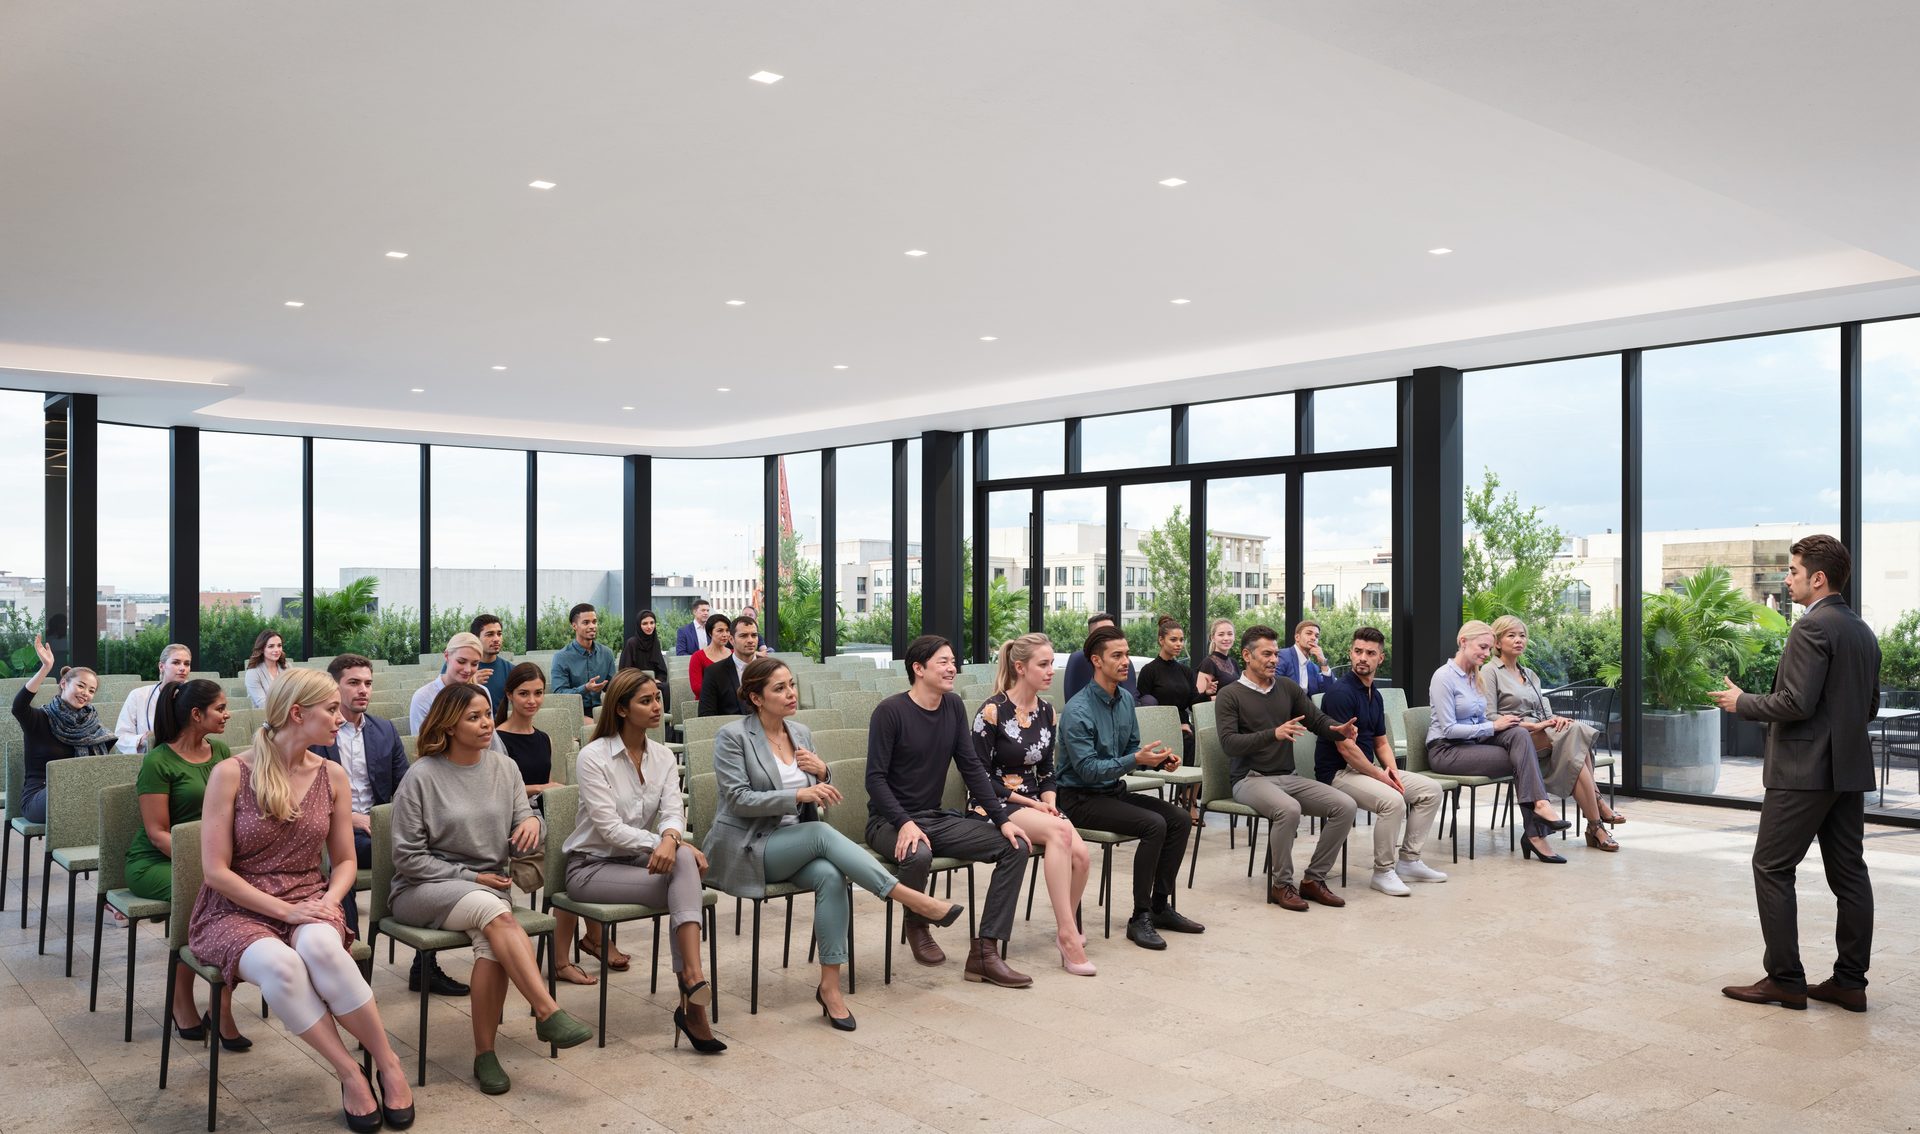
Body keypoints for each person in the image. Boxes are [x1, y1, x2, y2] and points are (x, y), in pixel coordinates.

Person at [186, 668, 416, 1132]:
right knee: (283, 965)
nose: (342, 715)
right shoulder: (231, 773)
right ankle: (350, 1073)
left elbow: (346, 862)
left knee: (322, 948)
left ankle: (387, 1062)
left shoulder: (331, 775)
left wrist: (330, 900)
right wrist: (285, 911)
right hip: (234, 909)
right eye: (331, 708)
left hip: (309, 897)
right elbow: (216, 872)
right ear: (297, 713)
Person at [704, 656, 966, 1031]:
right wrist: (799, 796)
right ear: (756, 698)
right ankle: (912, 899)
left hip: (799, 841)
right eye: (779, 688)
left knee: (831, 875)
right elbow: (738, 799)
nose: (791, 693)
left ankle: (830, 987)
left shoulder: (800, 733)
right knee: (823, 835)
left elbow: (819, 786)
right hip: (753, 846)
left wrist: (823, 772)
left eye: (791, 684)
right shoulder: (733, 736)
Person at [390, 683, 594, 1094]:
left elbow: (525, 817)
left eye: (487, 714)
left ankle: (485, 1055)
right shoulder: (421, 777)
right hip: (423, 889)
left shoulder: (505, 768)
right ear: (448, 725)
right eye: (474, 717)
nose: (486, 724)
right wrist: (472, 878)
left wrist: (534, 822)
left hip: (488, 888)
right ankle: (545, 1009)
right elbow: (407, 859)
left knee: (491, 943)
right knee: (495, 914)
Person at [1710, 535, 1880, 1013]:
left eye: (1793, 571)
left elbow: (1795, 704)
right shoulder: (1862, 632)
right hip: (1847, 768)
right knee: (1850, 875)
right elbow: (1867, 707)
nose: (1786, 580)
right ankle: (1850, 983)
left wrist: (1740, 702)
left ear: (1817, 577)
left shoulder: (1810, 629)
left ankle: (1785, 980)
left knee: (1772, 867)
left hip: (1803, 771)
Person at [564, 669, 723, 1051]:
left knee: (682, 864)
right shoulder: (593, 756)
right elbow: (608, 829)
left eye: (657, 698)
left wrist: (671, 838)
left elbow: (673, 811)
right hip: (591, 867)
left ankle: (692, 976)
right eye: (646, 701)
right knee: (683, 870)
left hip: (637, 860)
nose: (657, 707)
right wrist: (668, 844)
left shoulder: (664, 756)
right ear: (621, 708)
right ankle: (692, 997)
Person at [866, 635, 1033, 987]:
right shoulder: (890, 711)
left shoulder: (953, 706)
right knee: (916, 853)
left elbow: (972, 767)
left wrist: (1002, 820)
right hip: (888, 820)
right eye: (943, 661)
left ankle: (985, 952)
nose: (952, 668)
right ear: (918, 668)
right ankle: (917, 922)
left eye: (953, 661)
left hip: (934, 818)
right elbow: (875, 780)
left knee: (1016, 845)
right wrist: (905, 822)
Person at [312, 654, 467, 996]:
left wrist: (390, 822)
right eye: (353, 683)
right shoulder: (317, 733)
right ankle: (351, 968)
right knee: (343, 866)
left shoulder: (384, 730)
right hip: (331, 833)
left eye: (367, 683)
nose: (363, 690)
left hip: (381, 830)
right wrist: (351, 818)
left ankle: (425, 966)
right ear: (334, 686)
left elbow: (405, 789)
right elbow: (304, 798)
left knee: (432, 857)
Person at [1056, 625, 1205, 949]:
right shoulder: (1077, 710)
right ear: (1097, 661)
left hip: (1110, 791)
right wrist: (1134, 759)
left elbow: (1132, 750)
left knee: (1178, 819)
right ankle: (1140, 917)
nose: (1126, 662)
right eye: (1117, 655)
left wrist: (1156, 760)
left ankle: (1160, 906)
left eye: (1126, 654)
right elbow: (1087, 769)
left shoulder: (1124, 699)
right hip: (1078, 798)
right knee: (1152, 824)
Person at [125, 678, 247, 1049]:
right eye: (220, 709)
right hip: (158, 861)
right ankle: (181, 999)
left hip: (213, 859)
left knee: (250, 903)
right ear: (196, 715)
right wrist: (212, 863)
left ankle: (220, 1004)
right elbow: (158, 833)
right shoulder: (159, 761)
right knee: (214, 897)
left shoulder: (222, 751)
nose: (228, 715)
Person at [971, 633, 1094, 975]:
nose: (1051, 670)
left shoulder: (1047, 711)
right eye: (1043, 664)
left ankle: (1062, 927)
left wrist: (1049, 800)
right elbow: (978, 777)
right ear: (1020, 668)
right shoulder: (992, 711)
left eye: (1052, 663)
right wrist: (1032, 802)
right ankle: (1069, 936)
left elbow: (1047, 771)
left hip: (1036, 805)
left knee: (1082, 857)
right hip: (996, 803)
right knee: (1060, 835)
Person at [1215, 625, 1361, 911]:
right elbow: (1230, 744)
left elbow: (1317, 721)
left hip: (1288, 776)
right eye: (1266, 654)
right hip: (1249, 780)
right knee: (1289, 809)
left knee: (1345, 805)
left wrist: (1338, 730)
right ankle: (1281, 884)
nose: (1274, 660)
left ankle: (1313, 880)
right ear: (1247, 655)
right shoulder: (1230, 695)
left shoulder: (1287, 688)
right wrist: (1273, 733)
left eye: (1275, 654)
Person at [1315, 627, 1448, 897]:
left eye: (1370, 653)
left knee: (1430, 790)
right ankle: (1383, 871)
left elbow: (1381, 742)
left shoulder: (1374, 695)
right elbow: (1347, 749)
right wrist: (1380, 776)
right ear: (1351, 654)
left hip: (1366, 770)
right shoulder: (1340, 694)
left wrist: (1394, 773)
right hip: (1339, 773)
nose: (1362, 657)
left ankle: (1409, 861)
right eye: (1358, 651)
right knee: (1393, 801)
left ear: (1380, 658)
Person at [1425, 620, 1571, 864]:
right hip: (1446, 750)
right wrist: (1493, 726)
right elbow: (1449, 729)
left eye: (1488, 648)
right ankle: (1537, 831)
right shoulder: (1443, 677)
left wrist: (1518, 724)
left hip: (1473, 745)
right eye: (1482, 647)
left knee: (1519, 735)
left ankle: (1539, 811)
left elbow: (1479, 719)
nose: (1486, 653)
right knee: (1521, 759)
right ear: (1463, 642)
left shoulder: (1475, 676)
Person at [492, 661, 596, 988]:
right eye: (524, 693)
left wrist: (553, 791)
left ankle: (585, 942)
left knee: (589, 847)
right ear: (509, 695)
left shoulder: (544, 737)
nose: (532, 700)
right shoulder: (496, 739)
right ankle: (572, 954)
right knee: (574, 859)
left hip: (542, 811)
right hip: (512, 819)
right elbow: (495, 792)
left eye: (538, 693)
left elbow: (546, 782)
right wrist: (541, 789)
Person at [1483, 615, 1626, 851]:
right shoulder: (1489, 672)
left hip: (1544, 732)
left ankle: (1596, 826)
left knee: (1575, 750)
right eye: (1511, 635)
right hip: (1515, 735)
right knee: (1577, 735)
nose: (1519, 640)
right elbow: (1490, 716)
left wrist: (1554, 720)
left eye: (1522, 635)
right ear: (1497, 643)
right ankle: (1597, 811)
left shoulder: (1530, 674)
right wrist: (1532, 725)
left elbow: (1544, 711)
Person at [12, 634, 115, 823]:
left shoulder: (92, 726)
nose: (85, 693)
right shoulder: (40, 719)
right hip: (40, 796)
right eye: (81, 686)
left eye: (91, 691)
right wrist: (45, 668)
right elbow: (18, 706)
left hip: (79, 793)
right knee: (77, 795)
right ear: (63, 683)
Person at [1136, 616, 1203, 766]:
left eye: (1181, 640)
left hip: (1185, 725)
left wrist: (1207, 693)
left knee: (1208, 743)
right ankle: (1186, 789)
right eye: (1173, 640)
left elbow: (1193, 702)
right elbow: (1144, 711)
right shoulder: (1149, 671)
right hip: (1161, 728)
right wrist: (1175, 726)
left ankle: (1189, 790)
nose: (1179, 644)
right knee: (1192, 742)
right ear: (1161, 640)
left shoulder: (1185, 671)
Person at [114, 643, 193, 753]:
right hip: (148, 759)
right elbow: (121, 736)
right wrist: (141, 740)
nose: (182, 668)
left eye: (187, 664)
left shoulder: (195, 696)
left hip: (186, 756)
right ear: (161, 666)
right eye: (176, 662)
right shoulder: (138, 695)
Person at [551, 603, 616, 724]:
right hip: (573, 713)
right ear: (574, 626)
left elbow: (613, 688)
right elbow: (559, 695)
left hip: (601, 711)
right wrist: (585, 688)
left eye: (594, 622)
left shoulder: (607, 654)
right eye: (586, 622)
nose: (592, 626)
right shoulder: (561, 657)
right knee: (598, 727)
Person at [410, 632, 485, 735]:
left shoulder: (482, 693)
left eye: (474, 664)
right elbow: (420, 743)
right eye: (461, 661)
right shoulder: (423, 697)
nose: (468, 670)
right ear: (446, 656)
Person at [1061, 612, 1138, 703]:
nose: (1125, 661)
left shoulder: (1126, 699)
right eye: (1104, 633)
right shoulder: (1078, 709)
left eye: (1113, 631)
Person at [698, 614, 758, 718]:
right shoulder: (714, 673)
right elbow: (706, 716)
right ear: (731, 640)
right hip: (731, 731)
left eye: (754, 635)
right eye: (743, 635)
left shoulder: (771, 669)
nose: (750, 640)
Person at [618, 609, 674, 716]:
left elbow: (662, 670)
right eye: (645, 623)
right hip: (635, 683)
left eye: (652, 623)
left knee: (665, 687)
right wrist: (643, 680)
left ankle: (661, 718)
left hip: (653, 683)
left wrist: (657, 680)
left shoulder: (655, 642)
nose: (649, 627)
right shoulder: (632, 643)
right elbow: (625, 670)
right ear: (639, 625)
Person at [469, 614, 512, 714]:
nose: (496, 639)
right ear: (476, 638)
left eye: (499, 634)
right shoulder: (458, 667)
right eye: (490, 634)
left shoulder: (510, 670)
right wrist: (469, 684)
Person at [1273, 620, 1329, 695]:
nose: (1313, 638)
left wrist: (1323, 662)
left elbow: (1330, 690)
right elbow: (1273, 685)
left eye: (1317, 636)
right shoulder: (1283, 655)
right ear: (1297, 637)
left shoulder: (1313, 668)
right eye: (1309, 633)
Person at [687, 614, 733, 700]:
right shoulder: (697, 657)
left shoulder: (734, 654)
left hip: (733, 703)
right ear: (710, 633)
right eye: (720, 631)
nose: (725, 634)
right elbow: (697, 688)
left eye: (727, 630)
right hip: (707, 703)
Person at [242, 630, 289, 709]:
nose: (277, 650)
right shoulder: (253, 673)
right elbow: (262, 704)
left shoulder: (287, 667)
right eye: (271, 646)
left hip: (289, 714)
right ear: (261, 649)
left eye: (279, 645)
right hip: (264, 717)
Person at [1194, 618, 1239, 698]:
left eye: (1230, 634)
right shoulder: (1208, 663)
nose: (1226, 638)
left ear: (1234, 637)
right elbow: (1196, 702)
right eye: (1221, 634)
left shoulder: (1233, 662)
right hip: (1217, 710)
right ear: (1212, 638)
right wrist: (1223, 699)